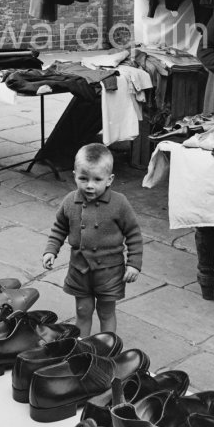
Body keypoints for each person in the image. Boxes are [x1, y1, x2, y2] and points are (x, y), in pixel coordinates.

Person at [42, 143, 143, 336]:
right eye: (83, 178)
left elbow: (133, 234)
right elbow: (59, 228)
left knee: (106, 311)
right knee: (83, 310)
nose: (89, 185)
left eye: (97, 179)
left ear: (109, 179)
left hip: (109, 271)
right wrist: (50, 250)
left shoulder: (119, 203)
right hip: (80, 270)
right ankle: (81, 347)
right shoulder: (70, 201)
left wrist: (134, 264)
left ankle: (108, 347)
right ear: (74, 176)